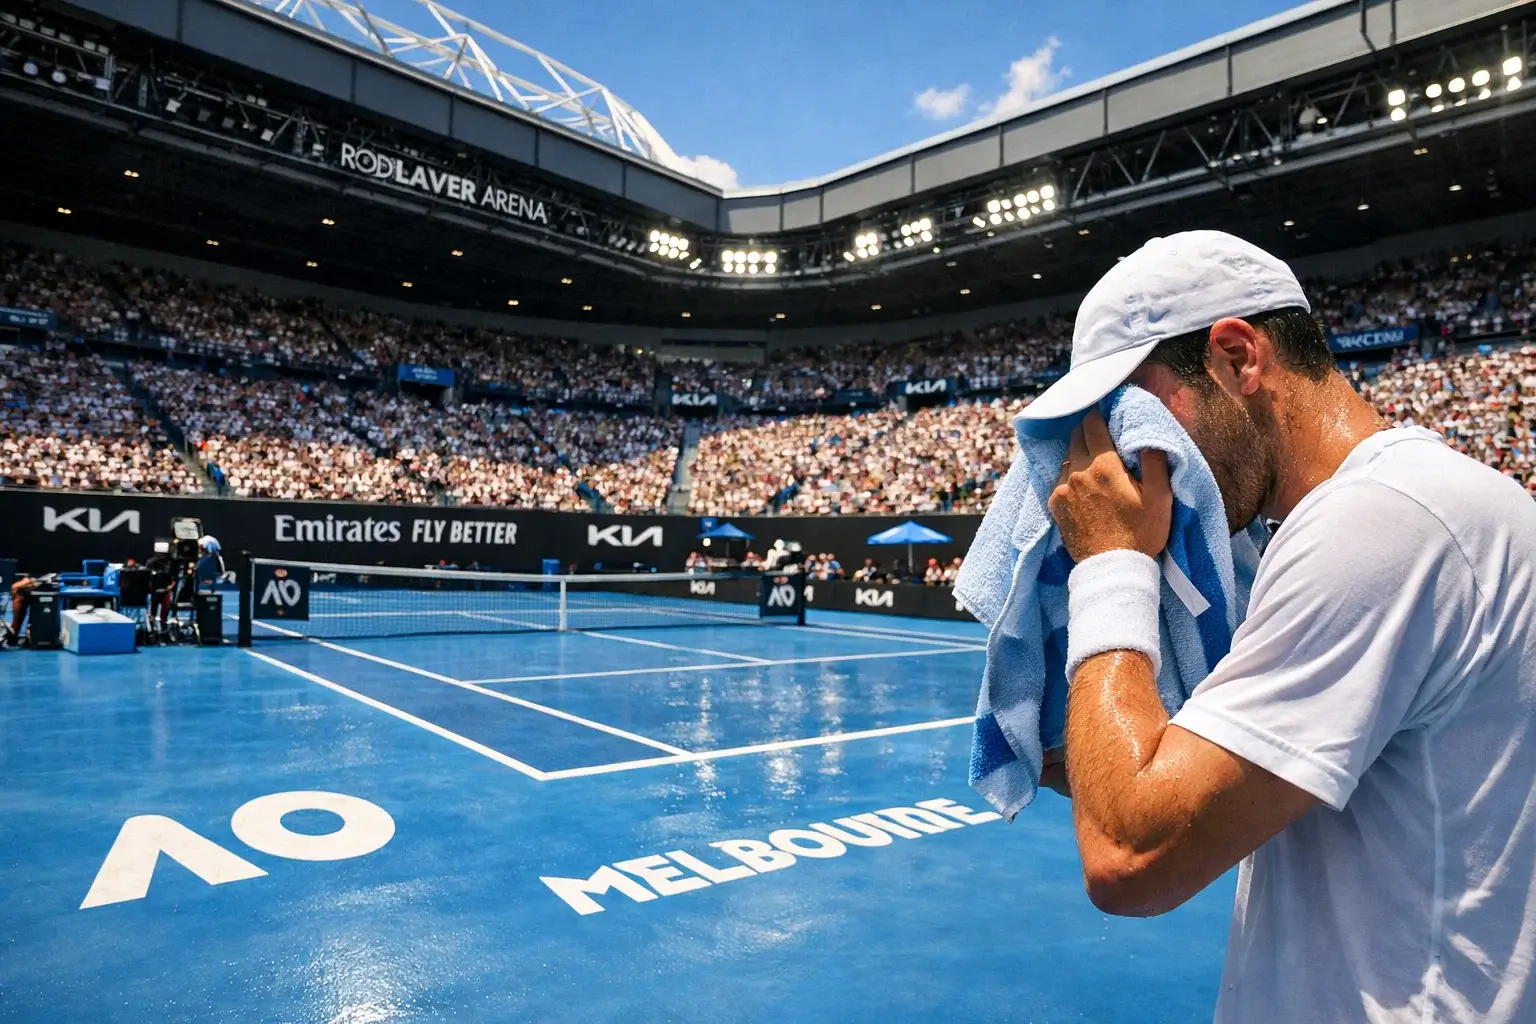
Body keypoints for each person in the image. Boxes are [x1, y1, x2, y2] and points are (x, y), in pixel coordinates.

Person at [1019, 230, 1536, 1022]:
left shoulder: (1378, 525)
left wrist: (1110, 564)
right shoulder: (1425, 503)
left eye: (1132, 413)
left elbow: (1131, 855)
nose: (1117, 455)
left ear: (1237, 358)